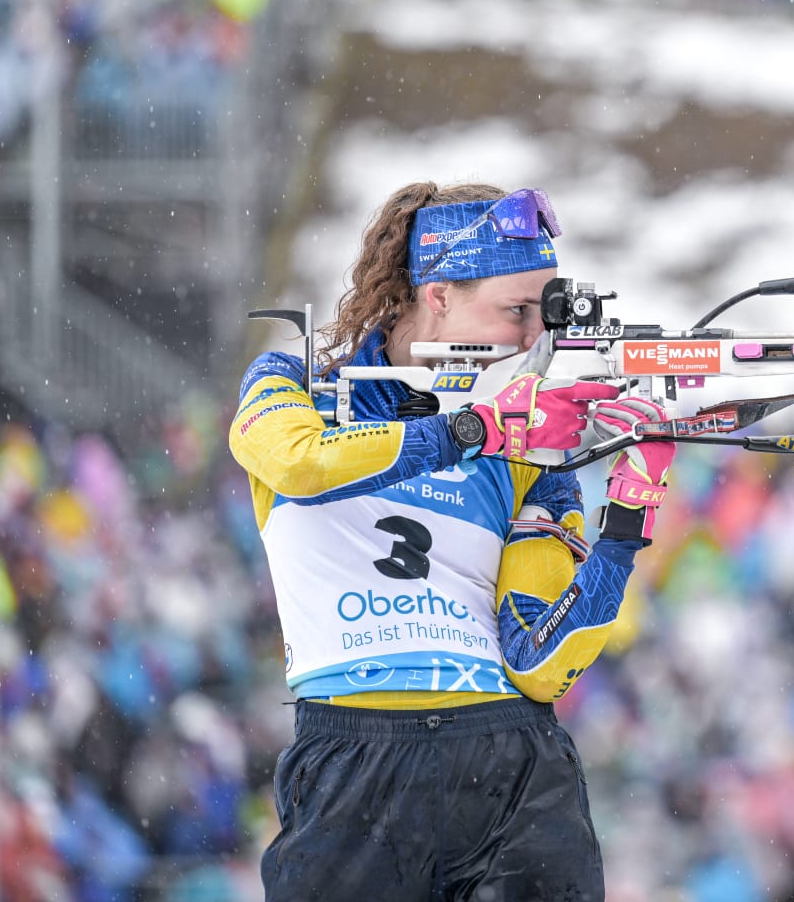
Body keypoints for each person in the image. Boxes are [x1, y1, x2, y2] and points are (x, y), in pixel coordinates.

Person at [228, 181, 675, 900]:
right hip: (354, 754)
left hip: (509, 758)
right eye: (516, 310)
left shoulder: (530, 450)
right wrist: (469, 433)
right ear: (437, 296)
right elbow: (298, 463)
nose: (536, 338)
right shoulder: (297, 381)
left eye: (546, 312)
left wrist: (625, 525)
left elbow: (539, 663)